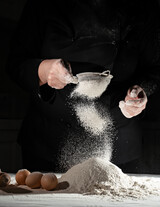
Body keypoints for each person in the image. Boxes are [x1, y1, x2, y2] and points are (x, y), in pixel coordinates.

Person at [7, 0, 160, 173]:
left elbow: (154, 68)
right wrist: (43, 71)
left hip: (120, 144)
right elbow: (15, 62)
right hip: (48, 142)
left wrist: (140, 91)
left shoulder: (144, 6)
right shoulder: (44, 5)